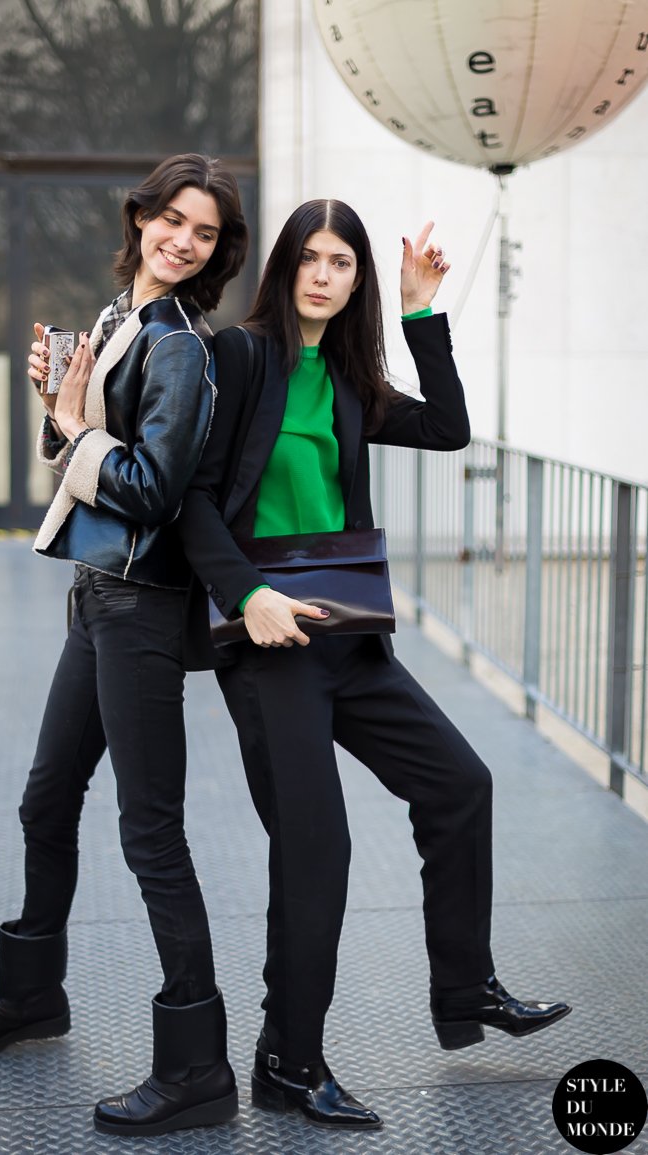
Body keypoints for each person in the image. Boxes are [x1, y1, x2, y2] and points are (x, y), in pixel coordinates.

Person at [177, 200, 571, 1131]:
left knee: (459, 784)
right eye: (310, 258)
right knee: (319, 849)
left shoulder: (352, 376)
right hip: (272, 645)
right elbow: (193, 498)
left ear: (358, 278)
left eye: (342, 262)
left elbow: (449, 431)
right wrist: (245, 594)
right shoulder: (240, 356)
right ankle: (289, 1054)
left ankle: (465, 984)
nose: (323, 274)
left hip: (352, 636)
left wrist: (421, 313)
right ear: (285, 266)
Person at [0, 153, 249, 1140]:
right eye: (171, 219)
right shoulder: (121, 318)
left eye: (202, 232)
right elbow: (86, 451)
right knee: (45, 798)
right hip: (99, 600)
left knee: (150, 834)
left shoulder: (182, 346)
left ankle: (197, 1065)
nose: (182, 240)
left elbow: (151, 490)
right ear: (142, 216)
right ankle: (34, 994)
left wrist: (73, 429)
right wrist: (58, 414)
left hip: (145, 610)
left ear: (214, 249)